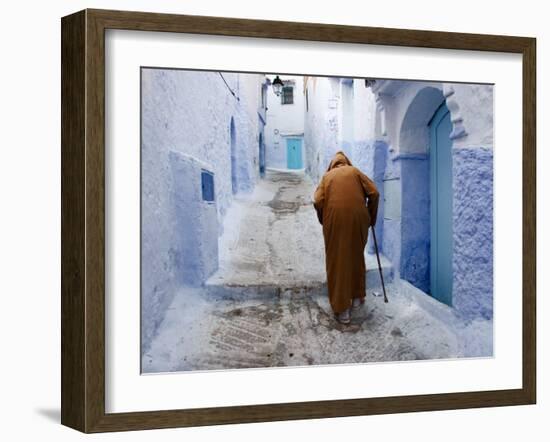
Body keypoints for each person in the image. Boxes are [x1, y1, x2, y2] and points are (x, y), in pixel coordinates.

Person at [313, 151, 380, 324]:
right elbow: (374, 193)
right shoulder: (355, 171)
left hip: (335, 220)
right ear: (346, 162)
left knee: (338, 260)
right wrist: (371, 217)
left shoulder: (327, 177)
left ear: (333, 164)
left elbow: (318, 200)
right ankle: (357, 298)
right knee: (356, 255)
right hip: (359, 219)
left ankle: (343, 310)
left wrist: (324, 219)